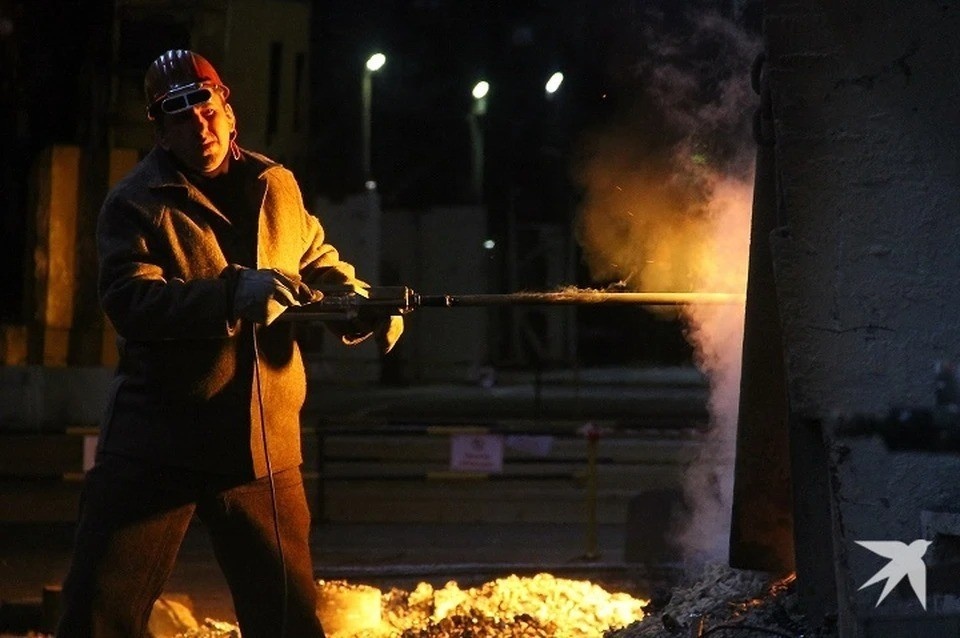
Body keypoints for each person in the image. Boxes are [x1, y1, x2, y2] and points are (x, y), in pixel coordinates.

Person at [56, 49, 402, 638]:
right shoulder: (135, 203)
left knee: (287, 622)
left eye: (206, 106)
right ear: (160, 129)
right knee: (98, 619)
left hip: (261, 444)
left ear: (229, 109)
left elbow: (312, 257)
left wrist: (353, 299)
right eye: (178, 114)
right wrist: (230, 296)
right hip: (158, 441)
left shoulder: (276, 184)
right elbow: (129, 302)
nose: (199, 125)